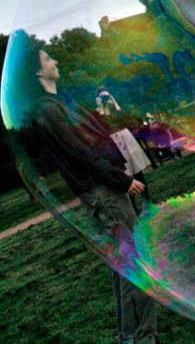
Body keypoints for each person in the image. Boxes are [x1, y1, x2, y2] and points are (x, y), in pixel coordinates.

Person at [23, 44, 157, 344]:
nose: (55, 60)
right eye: (48, 59)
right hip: (103, 192)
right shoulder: (47, 110)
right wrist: (121, 180)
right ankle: (141, 339)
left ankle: (133, 338)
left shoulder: (57, 104)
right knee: (135, 264)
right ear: (38, 72)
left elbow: (94, 141)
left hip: (103, 189)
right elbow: (81, 154)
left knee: (125, 267)